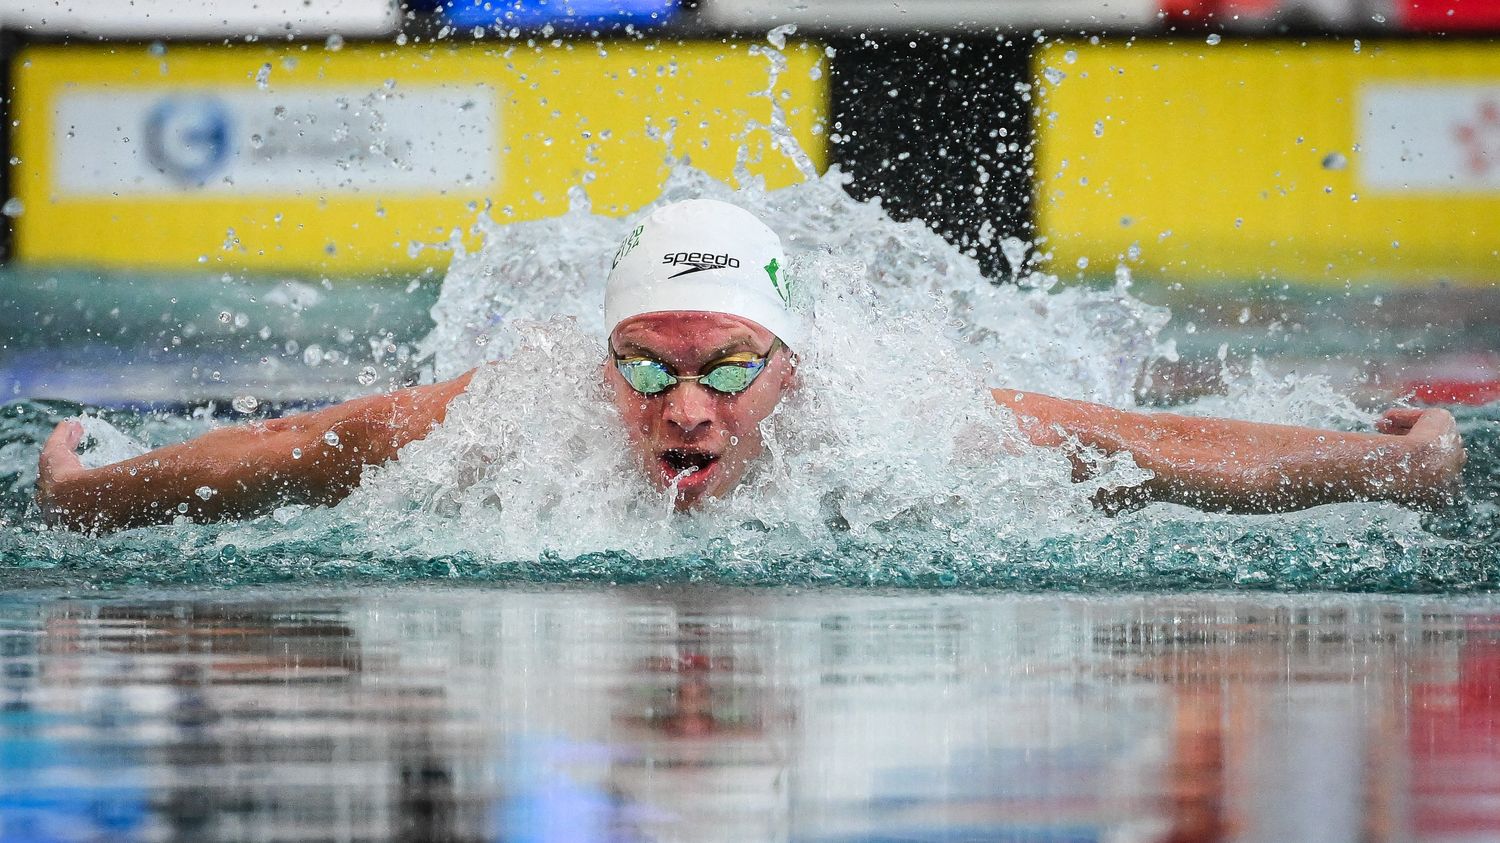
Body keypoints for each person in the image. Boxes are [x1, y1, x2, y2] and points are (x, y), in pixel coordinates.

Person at [35, 200, 1467, 533]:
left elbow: (1148, 446)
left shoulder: (897, 408)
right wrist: (91, 496)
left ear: (792, 357)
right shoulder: (524, 399)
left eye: (729, 365)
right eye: (648, 371)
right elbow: (298, 445)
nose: (689, 409)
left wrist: (1392, 468)